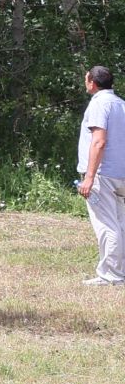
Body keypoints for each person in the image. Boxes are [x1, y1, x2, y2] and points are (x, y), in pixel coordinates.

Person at [76, 65, 125, 286]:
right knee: (120, 223)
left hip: (103, 174)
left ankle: (111, 275)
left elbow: (99, 141)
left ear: (92, 82)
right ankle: (119, 272)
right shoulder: (121, 105)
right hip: (121, 174)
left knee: (107, 224)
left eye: (86, 78)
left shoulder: (99, 104)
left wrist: (89, 176)